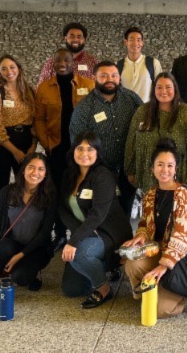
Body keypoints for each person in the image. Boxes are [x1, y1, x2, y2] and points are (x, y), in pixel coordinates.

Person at [123, 139, 187, 318]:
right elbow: (144, 224)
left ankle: (180, 292)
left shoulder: (182, 194)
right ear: (152, 168)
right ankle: (152, 290)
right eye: (160, 164)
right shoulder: (149, 194)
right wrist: (141, 236)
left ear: (175, 169)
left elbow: (183, 234)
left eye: (170, 165)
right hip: (157, 250)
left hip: (178, 257)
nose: (165, 170)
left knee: (160, 311)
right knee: (132, 263)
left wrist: (163, 266)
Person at [59, 132, 133, 308]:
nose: (84, 153)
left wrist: (74, 241)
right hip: (86, 232)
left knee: (78, 254)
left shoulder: (103, 176)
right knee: (72, 289)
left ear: (98, 152)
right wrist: (79, 234)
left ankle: (103, 288)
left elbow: (98, 214)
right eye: (80, 148)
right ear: (73, 151)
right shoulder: (69, 174)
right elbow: (61, 208)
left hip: (108, 233)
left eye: (90, 149)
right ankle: (100, 265)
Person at [0, 153, 56, 308]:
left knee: (21, 278)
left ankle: (31, 276)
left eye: (40, 169)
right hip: (13, 241)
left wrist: (20, 256)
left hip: (36, 247)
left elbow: (45, 232)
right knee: (0, 249)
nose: (35, 173)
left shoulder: (50, 195)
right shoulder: (7, 192)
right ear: (23, 170)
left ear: (46, 173)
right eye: (31, 167)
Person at [69, 61, 143, 216]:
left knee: (125, 206)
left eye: (114, 75)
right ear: (94, 77)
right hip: (100, 168)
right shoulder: (84, 107)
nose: (110, 79)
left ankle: (124, 236)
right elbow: (77, 140)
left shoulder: (132, 99)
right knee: (103, 209)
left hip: (127, 166)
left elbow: (145, 127)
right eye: (104, 76)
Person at [124, 72, 187, 192]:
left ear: (175, 89)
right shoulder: (142, 111)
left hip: (176, 177)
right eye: (159, 87)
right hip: (147, 175)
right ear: (153, 90)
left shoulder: (185, 113)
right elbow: (131, 142)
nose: (163, 91)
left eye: (168, 87)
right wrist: (130, 170)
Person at [34, 48, 94, 189]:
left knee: (81, 185)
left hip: (81, 145)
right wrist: (46, 144)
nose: (62, 63)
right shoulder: (43, 88)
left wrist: (92, 142)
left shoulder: (88, 85)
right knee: (57, 187)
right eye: (58, 60)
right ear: (53, 64)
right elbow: (38, 119)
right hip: (56, 146)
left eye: (66, 60)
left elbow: (94, 116)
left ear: (73, 63)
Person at [0, 55, 38, 204]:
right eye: (4, 68)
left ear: (19, 69)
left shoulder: (29, 92)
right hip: (2, 146)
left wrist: (33, 146)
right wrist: (14, 151)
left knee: (26, 187)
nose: (9, 71)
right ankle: (1, 225)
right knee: (0, 188)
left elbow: (36, 121)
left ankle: (22, 223)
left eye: (12, 67)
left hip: (26, 142)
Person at [117, 26, 163, 102]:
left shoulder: (153, 63)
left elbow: (161, 87)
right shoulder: (119, 65)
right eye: (131, 40)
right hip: (126, 111)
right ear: (125, 42)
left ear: (142, 43)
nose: (135, 43)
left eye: (138, 40)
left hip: (147, 110)